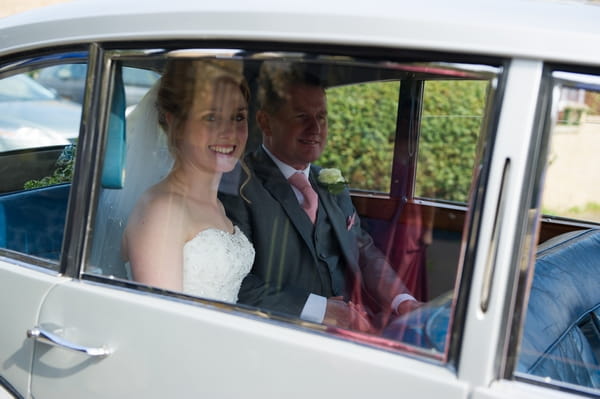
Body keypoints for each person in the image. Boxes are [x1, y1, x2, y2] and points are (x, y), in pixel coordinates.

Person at [220, 62, 420, 332]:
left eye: (322, 117)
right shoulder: (236, 184)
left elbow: (363, 250)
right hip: (283, 332)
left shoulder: (331, 180)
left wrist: (403, 301)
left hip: (356, 326)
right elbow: (236, 282)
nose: (315, 128)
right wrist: (322, 311)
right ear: (265, 122)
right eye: (301, 116)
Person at [122, 59, 254, 303]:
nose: (229, 132)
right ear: (176, 123)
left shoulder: (217, 205)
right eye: (211, 117)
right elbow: (163, 322)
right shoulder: (162, 211)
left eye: (238, 117)